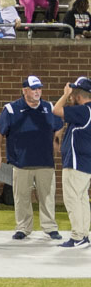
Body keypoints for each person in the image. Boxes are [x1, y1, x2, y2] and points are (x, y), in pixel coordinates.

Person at [0, 75, 63, 241]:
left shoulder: (49, 107)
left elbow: (59, 126)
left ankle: (50, 227)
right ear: (24, 91)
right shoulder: (11, 109)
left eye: (39, 88)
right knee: (21, 196)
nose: (37, 91)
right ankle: (23, 228)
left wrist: (55, 140)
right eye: (33, 89)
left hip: (45, 162)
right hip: (21, 163)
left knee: (47, 196)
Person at [53, 77, 91, 247]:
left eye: (74, 92)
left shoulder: (84, 110)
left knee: (73, 200)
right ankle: (83, 235)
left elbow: (56, 110)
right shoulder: (85, 112)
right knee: (82, 199)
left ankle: (78, 237)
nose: (71, 95)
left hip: (77, 164)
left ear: (79, 94)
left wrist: (64, 94)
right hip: (84, 164)